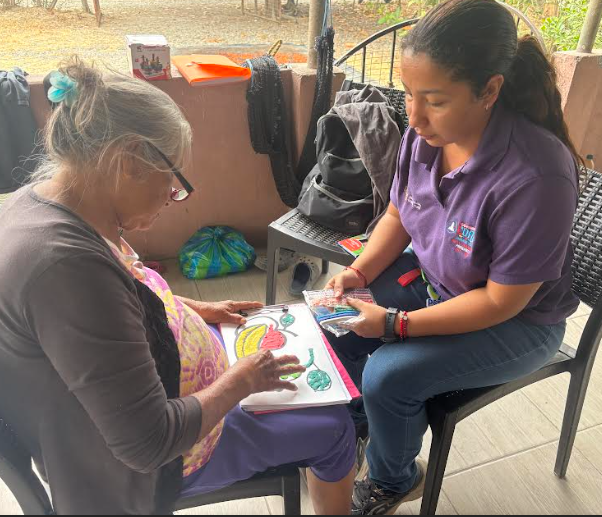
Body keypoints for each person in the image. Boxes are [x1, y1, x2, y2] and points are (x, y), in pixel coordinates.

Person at [0, 57, 356, 515]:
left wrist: (188, 307)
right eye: (172, 179)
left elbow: (120, 301)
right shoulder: (67, 270)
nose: (173, 196)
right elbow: (149, 443)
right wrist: (242, 380)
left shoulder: (46, 203)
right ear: (129, 161)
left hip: (154, 392)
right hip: (144, 467)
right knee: (334, 426)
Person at [325, 0, 583, 514]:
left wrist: (395, 325)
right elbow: (398, 215)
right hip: (437, 282)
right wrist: (357, 272)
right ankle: (360, 425)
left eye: (435, 101)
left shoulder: (536, 176)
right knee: (335, 321)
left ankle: (393, 478)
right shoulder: (426, 137)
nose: (414, 115)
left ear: (489, 90)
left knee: (388, 377)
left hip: (517, 322)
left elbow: (500, 303)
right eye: (408, 94)